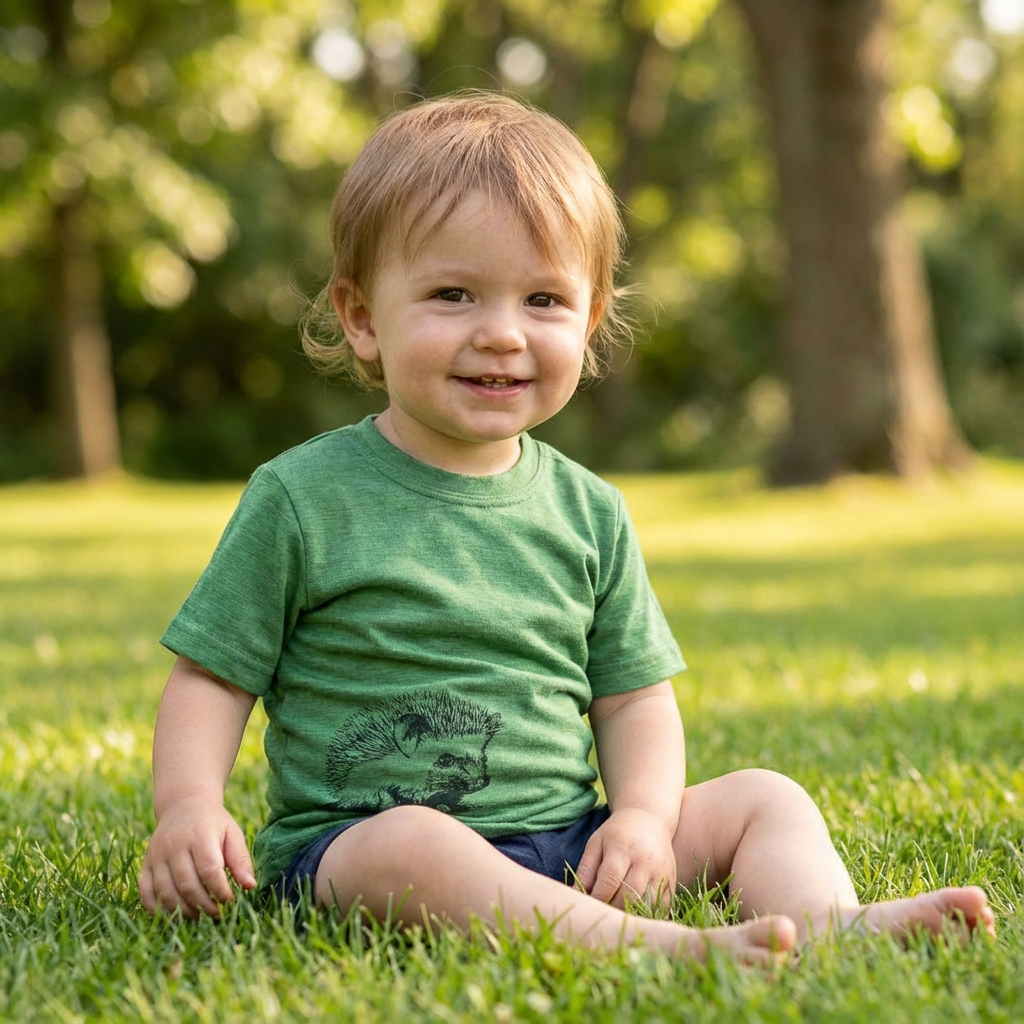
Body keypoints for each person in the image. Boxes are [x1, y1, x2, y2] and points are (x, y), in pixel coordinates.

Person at [138, 92, 994, 964]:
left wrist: (642, 820)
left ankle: (828, 923)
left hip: (568, 839)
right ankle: (656, 950)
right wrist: (189, 808)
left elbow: (634, 698)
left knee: (765, 797)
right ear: (362, 318)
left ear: (588, 322)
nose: (502, 334)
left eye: (543, 299)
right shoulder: (302, 497)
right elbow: (211, 677)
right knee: (412, 842)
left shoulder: (589, 512)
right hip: (361, 854)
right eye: (453, 294)